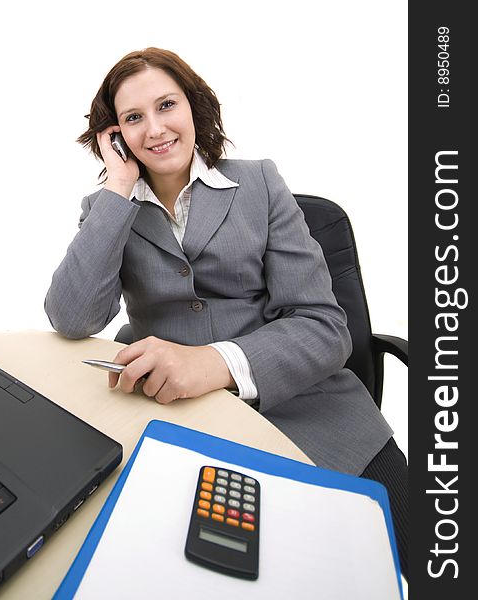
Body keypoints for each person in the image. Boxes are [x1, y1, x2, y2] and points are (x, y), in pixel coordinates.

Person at [44, 48, 407, 578]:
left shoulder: (259, 183)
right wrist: (118, 186)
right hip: (176, 422)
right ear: (114, 134)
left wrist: (214, 363)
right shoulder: (109, 208)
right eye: (132, 118)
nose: (154, 128)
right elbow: (73, 317)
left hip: (309, 410)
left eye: (166, 104)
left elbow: (326, 328)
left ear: (193, 106)